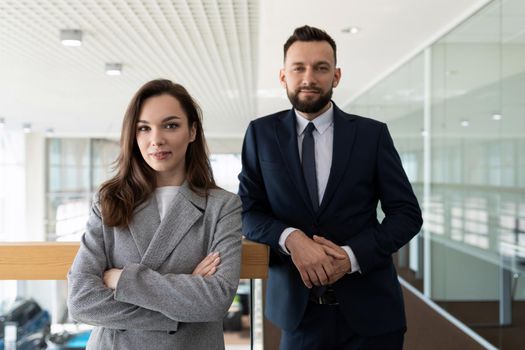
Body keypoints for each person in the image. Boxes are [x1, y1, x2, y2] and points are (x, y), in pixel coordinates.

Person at [238, 25, 423, 349]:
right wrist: (291, 238)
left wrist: (350, 257)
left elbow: (406, 214)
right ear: (283, 76)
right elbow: (247, 212)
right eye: (299, 67)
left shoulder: (371, 135)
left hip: (373, 314)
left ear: (336, 76)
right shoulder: (261, 135)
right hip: (298, 316)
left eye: (321, 68)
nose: (309, 77)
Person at [68, 79, 242, 350]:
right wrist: (184, 299)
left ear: (192, 131)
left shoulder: (222, 206)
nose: (156, 139)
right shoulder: (108, 201)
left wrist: (122, 280)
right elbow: (81, 301)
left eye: (171, 125)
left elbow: (216, 301)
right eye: (144, 128)